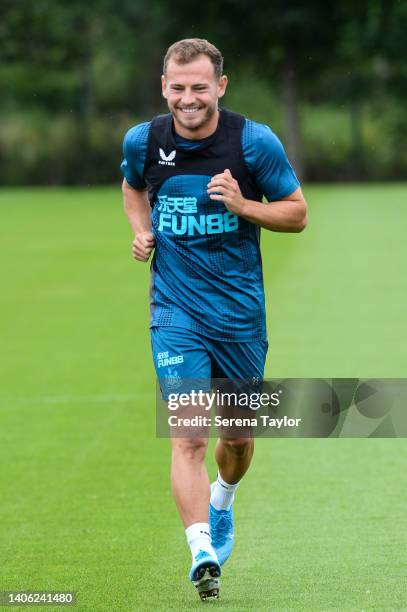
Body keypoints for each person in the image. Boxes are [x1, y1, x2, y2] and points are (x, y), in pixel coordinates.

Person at [120, 38, 307, 601]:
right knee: (188, 436)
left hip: (241, 316)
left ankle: (222, 502)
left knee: (239, 438)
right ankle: (201, 548)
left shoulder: (254, 141)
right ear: (163, 87)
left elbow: (297, 213)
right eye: (177, 88)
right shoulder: (144, 140)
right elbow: (132, 185)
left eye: (199, 87)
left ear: (220, 86)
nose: (188, 98)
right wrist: (141, 228)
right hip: (174, 311)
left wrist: (244, 205)